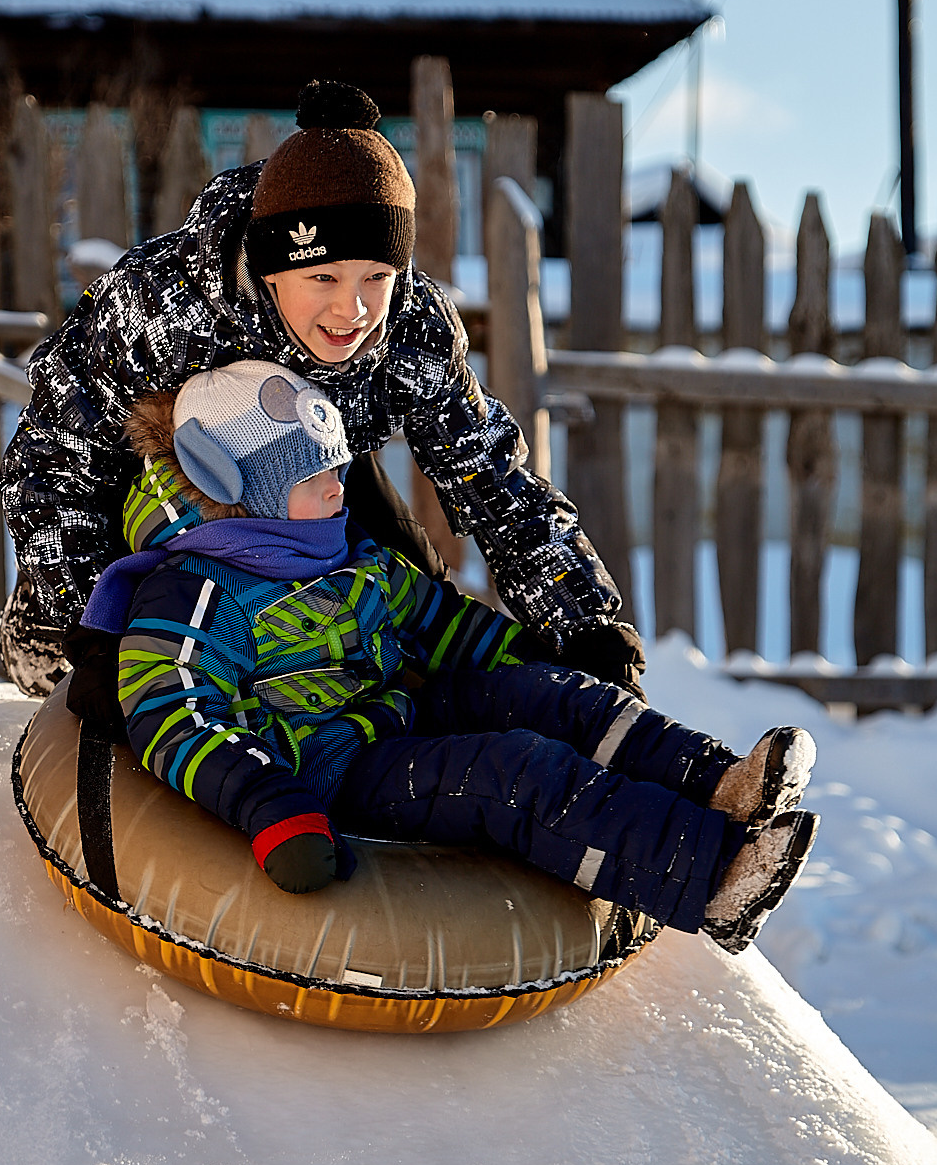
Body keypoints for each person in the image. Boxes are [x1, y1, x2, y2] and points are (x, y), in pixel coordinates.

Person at [81, 359, 819, 956]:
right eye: (313, 476)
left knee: (555, 697)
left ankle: (717, 783)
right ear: (241, 487)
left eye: (337, 465)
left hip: (392, 714)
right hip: (327, 767)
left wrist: (530, 659)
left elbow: (437, 621)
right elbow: (171, 715)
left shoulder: (342, 549)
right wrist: (272, 806)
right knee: (517, 771)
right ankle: (713, 879)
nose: (338, 485)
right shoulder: (195, 590)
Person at [0, 79, 647, 713]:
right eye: (323, 277)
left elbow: (493, 481)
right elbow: (53, 459)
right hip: (161, 495)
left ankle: (397, 722)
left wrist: (582, 624)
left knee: (404, 604)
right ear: (271, 268)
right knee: (119, 652)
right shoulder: (160, 304)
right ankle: (62, 649)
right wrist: (89, 628)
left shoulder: (412, 326)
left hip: (314, 476)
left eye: (376, 276)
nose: (352, 309)